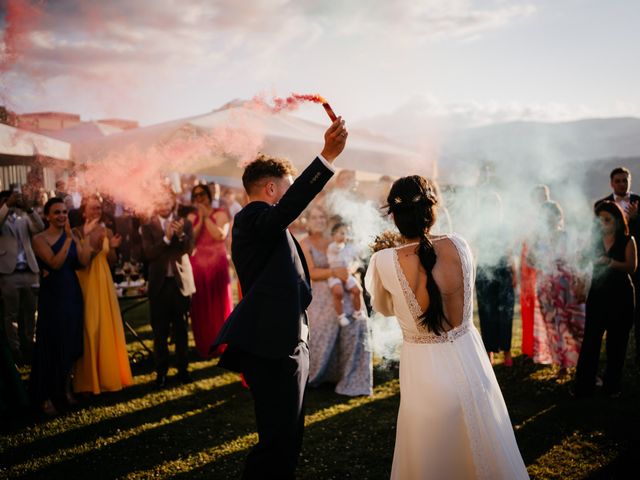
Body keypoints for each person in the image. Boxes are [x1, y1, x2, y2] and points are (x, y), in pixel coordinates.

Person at [365, 176, 528, 479]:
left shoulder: (383, 260)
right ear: (432, 209)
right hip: (471, 360)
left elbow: (385, 310)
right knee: (487, 442)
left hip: (426, 372)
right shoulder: (460, 244)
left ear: (394, 216)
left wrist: (391, 260)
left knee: (433, 456)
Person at [213, 118, 348, 479]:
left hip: (285, 342)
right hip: (270, 347)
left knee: (287, 439)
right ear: (272, 189)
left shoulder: (269, 226)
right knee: (277, 443)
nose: (290, 200)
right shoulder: (252, 217)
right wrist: (326, 158)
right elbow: (286, 211)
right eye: (286, 191)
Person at [300, 206, 372, 396]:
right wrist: (334, 272)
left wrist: (350, 268)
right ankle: (321, 374)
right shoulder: (304, 243)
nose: (319, 220)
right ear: (306, 221)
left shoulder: (336, 238)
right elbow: (311, 272)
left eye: (322, 216)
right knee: (325, 327)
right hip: (322, 293)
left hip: (347, 288)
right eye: (314, 217)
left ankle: (353, 375)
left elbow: (355, 259)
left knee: (356, 325)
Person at [31, 197, 92, 415]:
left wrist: (86, 242)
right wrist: (68, 239)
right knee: (52, 343)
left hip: (72, 292)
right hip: (53, 295)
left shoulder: (73, 235)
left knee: (71, 342)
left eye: (65, 212)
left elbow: (83, 263)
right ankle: (45, 395)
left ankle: (65, 390)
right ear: (47, 216)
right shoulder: (39, 238)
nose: (62, 216)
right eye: (57, 212)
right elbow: (54, 263)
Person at [72, 195, 133, 394]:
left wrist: (113, 248)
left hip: (104, 281)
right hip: (86, 281)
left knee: (105, 325)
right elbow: (81, 262)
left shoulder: (107, 230)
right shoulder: (76, 231)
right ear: (84, 212)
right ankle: (89, 380)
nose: (97, 211)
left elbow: (112, 260)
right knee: (89, 327)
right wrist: (90, 239)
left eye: (99, 208)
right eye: (93, 208)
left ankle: (107, 375)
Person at [575, 201, 636, 397]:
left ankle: (612, 387)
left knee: (616, 342)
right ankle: (584, 386)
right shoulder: (594, 241)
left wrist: (610, 262)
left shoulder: (628, 240)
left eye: (607, 219)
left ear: (617, 220)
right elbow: (583, 260)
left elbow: (631, 267)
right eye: (599, 220)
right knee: (591, 341)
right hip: (598, 295)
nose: (603, 223)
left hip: (621, 295)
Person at [141, 191, 195, 388]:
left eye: (167, 200)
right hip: (159, 285)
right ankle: (161, 371)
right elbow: (148, 253)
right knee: (160, 332)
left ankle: (183, 370)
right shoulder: (147, 226)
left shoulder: (185, 223)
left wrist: (180, 235)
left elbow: (190, 250)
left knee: (181, 330)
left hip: (180, 284)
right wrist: (166, 238)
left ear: (172, 202)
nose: (163, 204)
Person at [529, 201, 585, 377]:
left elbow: (578, 260)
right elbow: (531, 261)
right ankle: (562, 365)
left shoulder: (567, 236)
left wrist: (578, 282)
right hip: (547, 288)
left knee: (575, 326)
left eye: (552, 215)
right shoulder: (538, 239)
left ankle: (584, 365)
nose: (548, 219)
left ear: (559, 217)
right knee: (554, 327)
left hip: (567, 286)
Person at [594, 167, 640, 363]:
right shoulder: (602, 204)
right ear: (612, 183)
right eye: (618, 181)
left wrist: (637, 219)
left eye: (625, 180)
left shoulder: (639, 202)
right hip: (608, 267)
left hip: (635, 262)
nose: (622, 184)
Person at [187, 184, 233, 358]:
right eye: (195, 195)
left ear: (208, 196)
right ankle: (205, 344)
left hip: (217, 263)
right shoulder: (191, 216)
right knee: (200, 305)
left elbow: (219, 235)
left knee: (218, 303)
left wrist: (206, 217)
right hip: (198, 264)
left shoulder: (220, 213)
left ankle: (222, 343)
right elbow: (191, 238)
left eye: (202, 194)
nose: (199, 198)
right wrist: (199, 217)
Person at [0, 190, 44, 365]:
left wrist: (28, 209)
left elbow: (40, 228)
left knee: (32, 311)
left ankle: (30, 344)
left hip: (29, 270)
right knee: (11, 314)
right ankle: (15, 349)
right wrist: (7, 206)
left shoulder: (23, 218)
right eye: (6, 200)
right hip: (8, 273)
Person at [473, 192, 517, 366]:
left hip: (503, 271)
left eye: (496, 204)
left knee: (506, 312)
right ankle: (489, 351)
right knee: (486, 313)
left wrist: (514, 272)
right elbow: (474, 250)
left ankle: (506, 351)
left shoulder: (505, 226)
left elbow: (509, 250)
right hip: (484, 273)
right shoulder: (479, 227)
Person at [520, 184, 551, 358]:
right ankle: (530, 346)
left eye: (544, 196)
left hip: (547, 262)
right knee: (530, 303)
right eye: (538, 196)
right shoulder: (528, 218)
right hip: (529, 262)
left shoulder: (554, 215)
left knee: (546, 304)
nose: (541, 199)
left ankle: (547, 346)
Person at [327, 222, 365, 326]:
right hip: (335, 274)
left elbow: (356, 258)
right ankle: (341, 316)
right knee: (338, 292)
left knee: (357, 290)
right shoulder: (332, 246)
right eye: (342, 233)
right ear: (334, 235)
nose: (344, 235)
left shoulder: (349, 247)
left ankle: (357, 312)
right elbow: (338, 248)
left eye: (346, 233)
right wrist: (348, 241)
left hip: (347, 274)